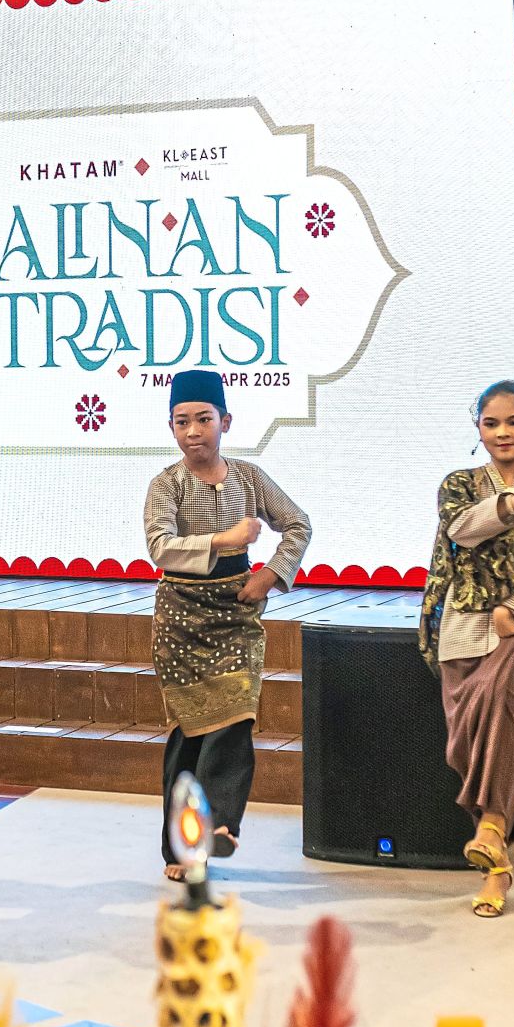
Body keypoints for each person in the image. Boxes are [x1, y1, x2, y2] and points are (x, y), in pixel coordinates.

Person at [144, 370, 312, 881]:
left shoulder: (249, 477)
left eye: (204, 419)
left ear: (226, 421)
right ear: (171, 428)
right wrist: (225, 539)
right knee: (190, 733)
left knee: (237, 715)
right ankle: (181, 849)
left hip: (236, 611)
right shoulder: (166, 484)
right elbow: (160, 548)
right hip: (180, 617)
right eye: (182, 422)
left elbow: (298, 524)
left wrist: (270, 575)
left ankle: (218, 824)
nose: (193, 431)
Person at [419, 380, 514, 918]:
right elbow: (462, 530)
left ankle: (492, 828)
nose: (503, 432)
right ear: (478, 428)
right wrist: (513, 503)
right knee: (464, 742)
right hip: (462, 624)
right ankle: (498, 863)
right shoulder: (459, 484)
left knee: (500, 693)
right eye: (491, 423)